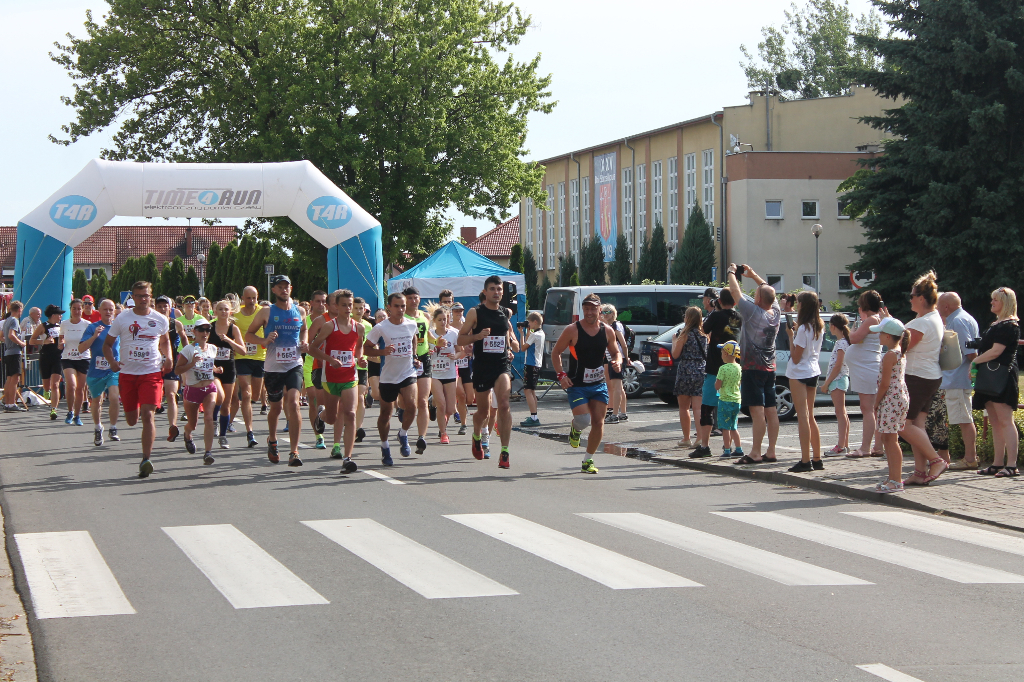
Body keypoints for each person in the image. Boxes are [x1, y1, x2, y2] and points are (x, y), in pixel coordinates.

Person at [105, 281, 173, 478]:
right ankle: (132, 418)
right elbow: (107, 345)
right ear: (132, 297)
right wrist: (112, 362)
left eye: (146, 295)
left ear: (150, 296)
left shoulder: (160, 319)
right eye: (139, 296)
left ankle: (146, 459)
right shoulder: (122, 318)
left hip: (151, 372)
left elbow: (165, 340)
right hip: (128, 374)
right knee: (132, 419)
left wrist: (168, 356)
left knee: (148, 414)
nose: (143, 299)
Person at [550, 293, 621, 474]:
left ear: (599, 309)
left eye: (593, 308)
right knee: (583, 420)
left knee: (598, 422)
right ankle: (575, 429)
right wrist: (561, 375)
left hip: (598, 384)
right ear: (583, 309)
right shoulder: (572, 330)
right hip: (577, 384)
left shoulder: (607, 331)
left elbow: (615, 352)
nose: (589, 312)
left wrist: (617, 361)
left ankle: (587, 460)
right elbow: (556, 352)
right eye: (586, 308)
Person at [245, 275, 308, 466]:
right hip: (273, 367)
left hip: (294, 364)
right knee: (276, 407)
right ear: (273, 290)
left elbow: (303, 329)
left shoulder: (301, 311)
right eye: (279, 287)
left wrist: (304, 341)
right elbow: (249, 334)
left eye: (286, 286)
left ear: (291, 288)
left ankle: (294, 452)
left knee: (294, 403)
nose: (283, 290)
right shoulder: (266, 312)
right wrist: (263, 341)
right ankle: (272, 440)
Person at [457, 276, 519, 468]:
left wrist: (510, 347)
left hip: (501, 365)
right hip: (482, 366)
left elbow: (510, 339)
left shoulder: (505, 313)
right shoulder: (475, 312)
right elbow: (460, 339)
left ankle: (505, 451)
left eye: (499, 289)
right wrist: (478, 336)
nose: (497, 292)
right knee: (483, 412)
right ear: (485, 292)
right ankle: (476, 434)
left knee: (504, 404)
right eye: (492, 289)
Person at [727, 263, 781, 463]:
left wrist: (732, 272)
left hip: (752, 368)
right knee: (771, 410)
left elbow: (734, 291)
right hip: (770, 368)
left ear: (758, 298)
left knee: (757, 411)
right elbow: (769, 291)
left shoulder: (752, 312)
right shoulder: (775, 313)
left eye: (756, 293)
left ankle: (756, 452)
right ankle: (772, 450)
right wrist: (754, 276)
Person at [896, 272, 946, 485]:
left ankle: (936, 460)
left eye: (912, 295)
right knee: (918, 425)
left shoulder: (921, 324)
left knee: (901, 424)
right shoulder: (930, 319)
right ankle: (919, 471)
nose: (910, 299)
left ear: (922, 298)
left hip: (917, 377)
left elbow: (902, 348)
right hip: (929, 376)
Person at [309, 290, 362, 471]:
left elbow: (358, 349)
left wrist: (360, 359)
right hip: (330, 376)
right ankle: (321, 414)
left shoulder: (359, 327)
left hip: (350, 376)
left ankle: (347, 458)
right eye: (344, 305)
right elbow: (312, 348)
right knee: (332, 418)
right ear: (336, 307)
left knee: (350, 414)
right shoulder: (329, 326)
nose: (348, 309)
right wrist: (330, 360)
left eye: (350, 305)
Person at [365, 293, 420, 465]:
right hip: (388, 376)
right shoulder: (381, 327)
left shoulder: (411, 324)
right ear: (389, 307)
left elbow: (414, 338)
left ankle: (403, 434)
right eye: (397, 306)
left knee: (412, 406)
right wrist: (382, 352)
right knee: (385, 414)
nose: (401, 309)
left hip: (407, 373)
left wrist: (415, 356)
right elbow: (366, 349)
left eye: (403, 306)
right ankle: (385, 446)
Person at [971, 287, 1021, 478]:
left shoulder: (1009, 325)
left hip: (1002, 375)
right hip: (991, 375)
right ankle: (997, 462)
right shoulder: (997, 323)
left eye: (995, 300)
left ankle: (1012, 464)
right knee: (994, 421)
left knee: (1005, 420)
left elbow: (996, 351)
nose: (991, 303)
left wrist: (975, 361)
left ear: (1005, 303)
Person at [782, 292, 825, 472]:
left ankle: (805, 460)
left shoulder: (802, 329)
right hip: (813, 370)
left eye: (798, 302)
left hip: (799, 372)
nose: (797, 305)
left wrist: (791, 336)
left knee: (802, 417)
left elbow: (796, 356)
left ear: (803, 305)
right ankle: (817, 458)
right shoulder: (818, 325)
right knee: (810, 415)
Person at [937, 292, 980, 469]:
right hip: (959, 377)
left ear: (946, 306)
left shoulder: (957, 321)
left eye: (939, 305)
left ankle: (970, 458)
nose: (937, 308)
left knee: (964, 418)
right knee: (964, 417)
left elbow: (971, 352)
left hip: (958, 378)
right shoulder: (964, 318)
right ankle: (970, 457)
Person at [870, 318, 911, 493]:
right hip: (897, 397)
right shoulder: (898, 352)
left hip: (890, 399)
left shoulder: (889, 355)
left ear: (887, 336)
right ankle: (892, 477)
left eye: (880, 333)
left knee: (891, 439)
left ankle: (896, 480)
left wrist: (876, 402)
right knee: (887, 438)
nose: (878, 336)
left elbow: (885, 384)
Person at [174, 318, 220, 465]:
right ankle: (187, 434)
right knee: (192, 424)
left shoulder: (213, 348)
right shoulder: (187, 350)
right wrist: (192, 363)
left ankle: (208, 452)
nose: (205, 333)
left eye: (207, 330)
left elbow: (208, 365)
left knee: (208, 417)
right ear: (194, 332)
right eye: (201, 330)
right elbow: (177, 370)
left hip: (209, 388)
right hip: (193, 390)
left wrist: (216, 369)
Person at [701, 289, 741, 455]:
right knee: (729, 411)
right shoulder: (739, 317)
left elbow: (704, 328)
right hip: (734, 366)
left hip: (715, 366)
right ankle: (734, 447)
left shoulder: (716, 315)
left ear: (719, 301)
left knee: (707, 407)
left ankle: (705, 446)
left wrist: (715, 310)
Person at [846, 290, 885, 457]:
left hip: (867, 368)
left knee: (867, 408)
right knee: (874, 409)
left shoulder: (871, 319)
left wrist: (847, 329)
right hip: (868, 367)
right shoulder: (878, 319)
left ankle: (865, 447)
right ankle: (877, 446)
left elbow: (853, 339)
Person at [80, 299, 120, 444]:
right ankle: (98, 428)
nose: (108, 312)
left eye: (111, 309)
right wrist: (94, 336)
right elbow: (81, 349)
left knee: (114, 397)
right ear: (99, 311)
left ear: (114, 311)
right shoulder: (92, 327)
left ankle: (113, 427)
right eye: (105, 309)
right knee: (97, 401)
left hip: (113, 369)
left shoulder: (119, 328)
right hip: (96, 370)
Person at [232, 286, 266, 449]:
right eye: (248, 298)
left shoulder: (263, 312)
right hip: (242, 357)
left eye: (254, 298)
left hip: (259, 358)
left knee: (256, 396)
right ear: (242, 298)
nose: (251, 301)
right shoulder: (236, 317)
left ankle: (241, 409)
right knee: (246, 393)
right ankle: (249, 432)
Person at [209, 300, 247, 449]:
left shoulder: (233, 328)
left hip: (229, 367)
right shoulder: (210, 327)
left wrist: (228, 340)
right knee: (219, 395)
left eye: (226, 309)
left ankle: (223, 436)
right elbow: (201, 347)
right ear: (215, 311)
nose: (223, 312)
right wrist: (210, 365)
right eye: (220, 309)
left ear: (230, 312)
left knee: (226, 404)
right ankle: (213, 422)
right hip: (213, 368)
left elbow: (242, 351)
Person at [671, 306, 707, 450]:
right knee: (698, 408)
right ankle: (699, 438)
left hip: (686, 369)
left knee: (684, 407)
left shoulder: (684, 334)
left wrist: (674, 341)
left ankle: (686, 438)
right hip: (701, 370)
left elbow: (675, 354)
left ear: (688, 318)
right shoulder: (704, 335)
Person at [403, 287, 433, 455]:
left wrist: (437, 342)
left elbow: (428, 335)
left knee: (422, 401)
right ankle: (404, 429)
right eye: (410, 298)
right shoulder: (402, 317)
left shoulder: (424, 317)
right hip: (406, 360)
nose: (414, 301)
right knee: (409, 403)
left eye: (416, 297)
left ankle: (421, 437)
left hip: (423, 359)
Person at [154, 296, 187, 442]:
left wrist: (188, 354)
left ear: (170, 307)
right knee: (154, 398)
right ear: (155, 308)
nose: (162, 309)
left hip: (171, 363)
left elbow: (184, 339)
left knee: (172, 394)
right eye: (159, 306)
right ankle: (150, 423)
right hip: (153, 365)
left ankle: (172, 426)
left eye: (165, 306)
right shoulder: (151, 323)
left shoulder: (176, 324)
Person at [820, 313, 851, 455]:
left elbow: (838, 366)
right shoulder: (842, 341)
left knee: (840, 412)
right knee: (842, 412)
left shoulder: (842, 343)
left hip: (838, 379)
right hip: (838, 379)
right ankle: (844, 444)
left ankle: (841, 446)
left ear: (833, 326)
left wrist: (827, 383)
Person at [427, 304, 459, 443]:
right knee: (441, 404)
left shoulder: (453, 333)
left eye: (445, 319)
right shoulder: (430, 335)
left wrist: (456, 356)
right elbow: (422, 350)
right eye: (439, 320)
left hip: (450, 373)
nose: (443, 322)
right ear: (435, 321)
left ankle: (435, 408)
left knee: (450, 409)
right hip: (435, 374)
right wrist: (429, 352)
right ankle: (443, 433)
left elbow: (462, 350)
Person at [303, 291, 329, 449]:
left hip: (329, 363)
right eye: (318, 301)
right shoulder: (304, 322)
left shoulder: (331, 321)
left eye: (323, 301)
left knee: (328, 401)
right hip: (310, 364)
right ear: (311, 303)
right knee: (313, 400)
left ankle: (323, 419)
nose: (321, 304)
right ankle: (318, 436)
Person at [59, 299, 92, 426]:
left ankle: (77, 415)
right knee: (71, 385)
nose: (77, 311)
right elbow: (61, 338)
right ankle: (70, 411)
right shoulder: (65, 324)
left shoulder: (87, 324)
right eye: (74, 309)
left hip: (83, 358)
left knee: (80, 388)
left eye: (79, 308)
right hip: (68, 358)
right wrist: (60, 344)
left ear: (82, 309)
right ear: (70, 310)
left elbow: (91, 341)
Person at [31, 305, 65, 419]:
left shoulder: (62, 326)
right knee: (47, 385)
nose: (61, 316)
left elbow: (64, 338)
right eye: (59, 314)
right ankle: (46, 391)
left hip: (58, 357)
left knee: (55, 384)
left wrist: (63, 342)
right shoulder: (43, 326)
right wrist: (43, 341)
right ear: (53, 315)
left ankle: (53, 409)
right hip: (45, 357)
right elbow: (31, 340)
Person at [601, 305, 630, 423]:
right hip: (612, 358)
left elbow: (623, 344)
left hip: (616, 359)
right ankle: (623, 413)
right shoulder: (608, 326)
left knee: (616, 387)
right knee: (619, 387)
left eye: (607, 312)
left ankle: (615, 415)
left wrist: (626, 358)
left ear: (613, 314)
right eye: (603, 312)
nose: (605, 314)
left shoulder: (616, 325)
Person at [715, 341, 743, 458]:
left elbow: (718, 385)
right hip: (736, 400)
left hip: (725, 400)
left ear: (726, 354)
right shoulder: (739, 367)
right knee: (733, 426)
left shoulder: (723, 368)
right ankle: (739, 449)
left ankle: (727, 450)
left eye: (722, 352)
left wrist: (716, 384)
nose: (721, 354)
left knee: (725, 427)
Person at [519, 311, 545, 427]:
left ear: (535, 322)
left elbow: (523, 348)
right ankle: (534, 415)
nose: (528, 325)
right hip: (537, 364)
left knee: (527, 390)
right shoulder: (541, 333)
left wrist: (521, 334)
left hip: (530, 364)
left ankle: (534, 417)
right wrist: (528, 331)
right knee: (532, 390)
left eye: (530, 323)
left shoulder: (535, 335)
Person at [352, 297, 372, 443]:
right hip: (346, 365)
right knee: (348, 399)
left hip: (362, 365)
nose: (359, 311)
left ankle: (358, 428)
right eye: (356, 308)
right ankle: (349, 422)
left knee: (360, 397)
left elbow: (369, 345)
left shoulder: (368, 326)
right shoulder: (347, 324)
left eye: (361, 308)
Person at [452, 302, 474, 436]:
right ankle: (463, 425)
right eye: (456, 311)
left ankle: (434, 400)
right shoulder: (447, 327)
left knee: (470, 399)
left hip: (466, 364)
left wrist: (470, 349)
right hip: (454, 365)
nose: (459, 313)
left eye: (461, 311)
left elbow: (473, 341)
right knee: (461, 395)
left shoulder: (467, 326)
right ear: (451, 313)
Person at [2, 301, 26, 412]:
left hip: (8, 352)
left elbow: (2, 336)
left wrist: (7, 342)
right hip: (14, 352)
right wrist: (20, 343)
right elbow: (11, 335)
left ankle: (8, 403)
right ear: (19, 310)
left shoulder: (7, 320)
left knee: (10, 379)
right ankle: (11, 403)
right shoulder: (14, 321)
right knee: (15, 379)